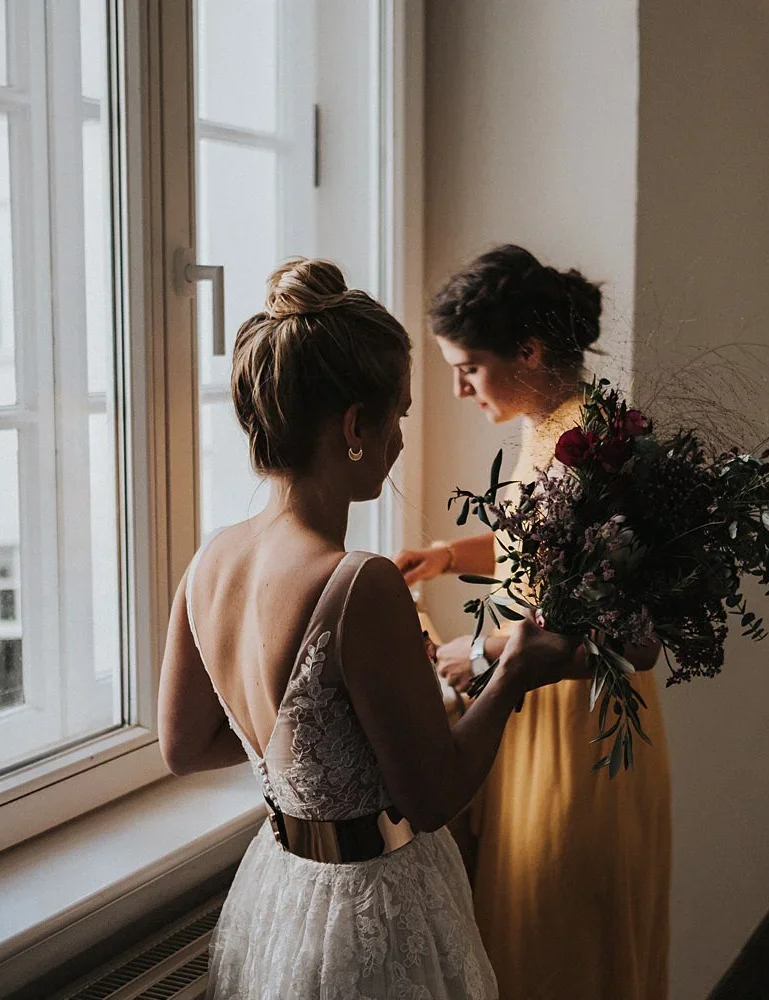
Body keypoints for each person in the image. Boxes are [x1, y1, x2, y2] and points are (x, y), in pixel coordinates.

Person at [159, 258, 582, 999]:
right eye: (401, 415)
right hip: (372, 908)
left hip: (282, 892)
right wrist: (513, 671)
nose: (402, 441)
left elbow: (186, 746)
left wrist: (317, 751)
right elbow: (435, 795)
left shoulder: (211, 561)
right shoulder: (357, 583)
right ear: (356, 425)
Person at [396, 245, 674, 999]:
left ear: (529, 350)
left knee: (563, 945)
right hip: (529, 715)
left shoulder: (597, 448)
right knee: (521, 934)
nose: (457, 389)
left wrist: (482, 652)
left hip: (583, 737)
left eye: (468, 367)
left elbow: (633, 638)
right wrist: (448, 555)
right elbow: (547, 554)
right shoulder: (547, 426)